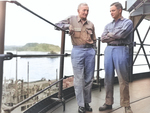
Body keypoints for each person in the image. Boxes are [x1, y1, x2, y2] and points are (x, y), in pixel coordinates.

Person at [55, 3, 96, 113]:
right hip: (77, 50)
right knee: (79, 80)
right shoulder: (71, 19)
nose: (86, 12)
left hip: (90, 52)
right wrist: (68, 27)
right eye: (84, 10)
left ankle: (86, 102)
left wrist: (94, 51)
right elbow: (56, 25)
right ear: (78, 11)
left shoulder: (91, 24)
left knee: (89, 79)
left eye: (87, 10)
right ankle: (81, 105)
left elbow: (94, 39)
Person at [99, 2, 133, 113]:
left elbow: (121, 35)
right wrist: (113, 35)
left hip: (121, 49)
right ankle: (108, 103)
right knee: (108, 78)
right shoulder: (108, 25)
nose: (111, 13)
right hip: (109, 50)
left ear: (120, 10)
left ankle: (126, 105)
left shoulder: (128, 22)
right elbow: (103, 38)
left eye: (113, 10)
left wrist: (110, 34)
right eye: (110, 11)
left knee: (123, 79)